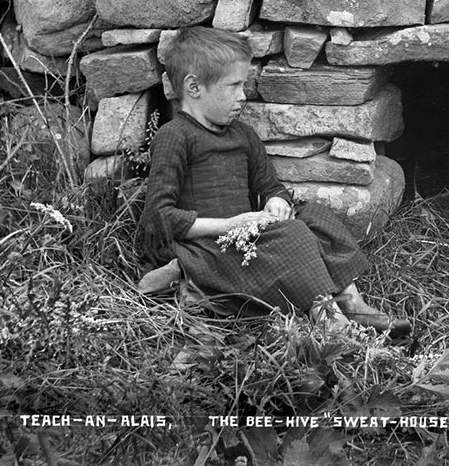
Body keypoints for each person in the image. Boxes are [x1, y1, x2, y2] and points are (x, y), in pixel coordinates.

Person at [134, 26, 409, 337]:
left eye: (244, 85)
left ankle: (355, 305)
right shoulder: (175, 136)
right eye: (233, 86)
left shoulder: (243, 135)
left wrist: (276, 200)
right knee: (291, 235)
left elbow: (269, 185)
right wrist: (230, 225)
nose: (243, 96)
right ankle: (331, 321)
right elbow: (158, 217)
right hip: (205, 246)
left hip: (246, 235)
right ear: (194, 87)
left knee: (313, 216)